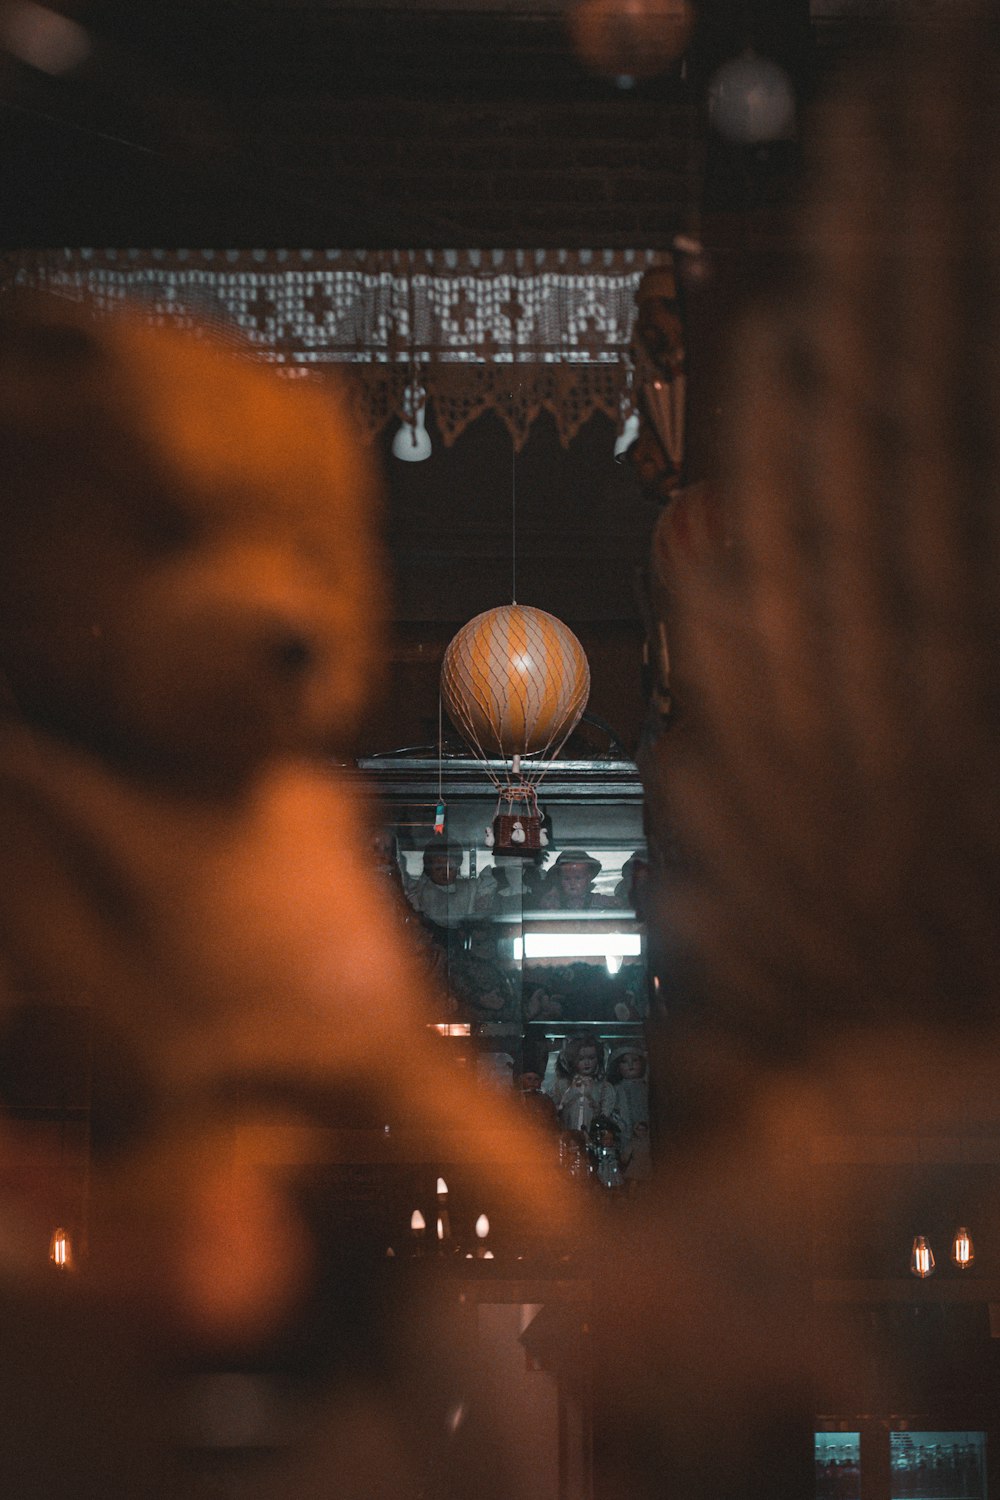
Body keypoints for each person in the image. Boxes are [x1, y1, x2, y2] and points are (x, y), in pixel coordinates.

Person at [538, 849, 619, 910]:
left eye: (578, 878)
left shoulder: (598, 900)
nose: (572, 883)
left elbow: (620, 905)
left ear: (588, 878)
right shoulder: (554, 901)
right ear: (559, 880)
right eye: (567, 879)